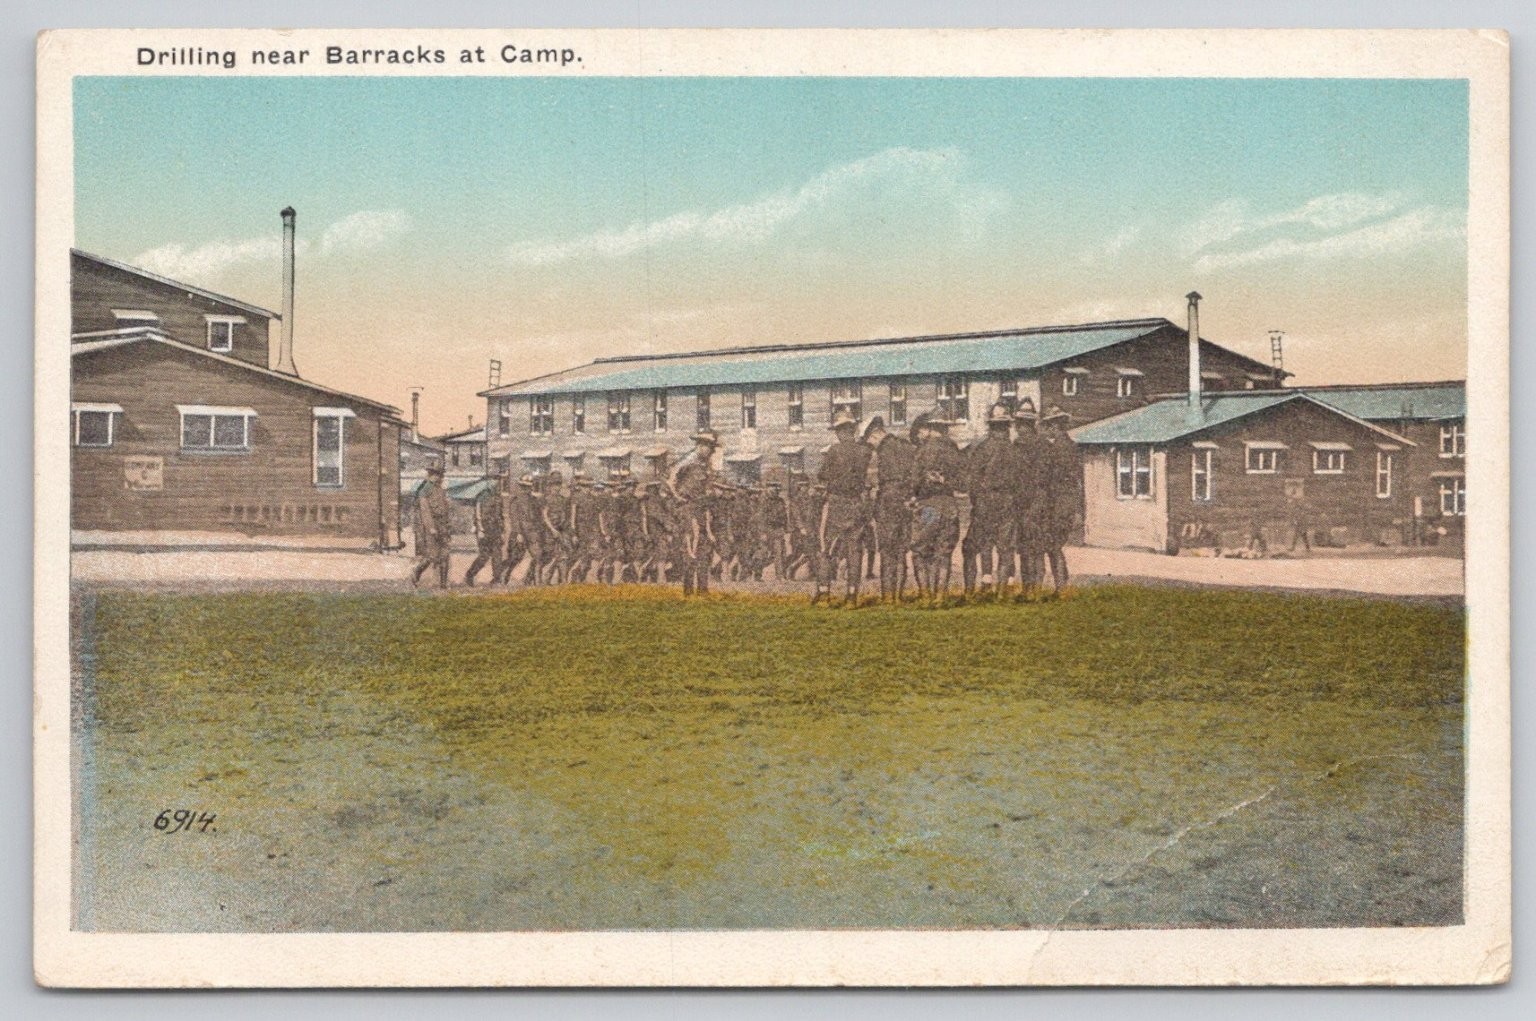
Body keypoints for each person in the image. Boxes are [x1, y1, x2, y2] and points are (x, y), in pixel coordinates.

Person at [815, 408, 874, 605]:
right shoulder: (865, 451)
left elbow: (821, 475)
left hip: (837, 503)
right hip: (856, 503)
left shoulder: (834, 450)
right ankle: (852, 596)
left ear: (840, 431)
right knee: (854, 551)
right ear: (854, 429)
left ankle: (823, 594)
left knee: (826, 549)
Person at [961, 403, 1020, 598]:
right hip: (1008, 501)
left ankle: (978, 586)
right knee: (1005, 548)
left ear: (991, 426)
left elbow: (972, 479)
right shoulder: (1014, 450)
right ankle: (1002, 592)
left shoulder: (983, 449)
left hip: (986, 501)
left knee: (976, 545)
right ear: (1007, 426)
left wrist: (976, 501)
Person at [909, 412, 967, 604]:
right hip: (949, 505)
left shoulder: (923, 451)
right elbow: (962, 484)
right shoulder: (954, 451)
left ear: (931, 428)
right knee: (944, 552)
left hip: (928, 507)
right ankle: (940, 596)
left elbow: (915, 483)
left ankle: (926, 595)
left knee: (920, 551)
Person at [863, 415, 916, 603]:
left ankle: (887, 597)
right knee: (901, 551)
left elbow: (883, 482)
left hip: (888, 503)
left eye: (869, 441)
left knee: (887, 551)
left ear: (875, 434)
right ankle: (898, 597)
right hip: (906, 503)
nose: (871, 447)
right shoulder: (906, 445)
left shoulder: (885, 450)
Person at [669, 430, 720, 595]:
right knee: (691, 548)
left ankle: (703, 590)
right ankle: (688, 591)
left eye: (711, 448)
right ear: (699, 446)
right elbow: (670, 480)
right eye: (707, 447)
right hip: (689, 509)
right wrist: (679, 498)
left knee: (704, 549)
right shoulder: (688, 461)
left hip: (703, 510)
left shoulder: (707, 466)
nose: (709, 451)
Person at [1037, 406, 1081, 594]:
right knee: (1054, 545)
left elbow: (1052, 478)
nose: (1046, 430)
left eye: (1048, 426)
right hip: (1066, 502)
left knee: (1053, 546)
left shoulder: (1058, 449)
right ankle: (1061, 584)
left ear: (1055, 426)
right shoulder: (1070, 445)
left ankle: (1061, 586)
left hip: (1059, 503)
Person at [1010, 399, 1049, 597]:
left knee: (1027, 549)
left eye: (1020, 424)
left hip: (1028, 500)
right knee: (1034, 548)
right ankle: (1035, 589)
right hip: (1038, 499)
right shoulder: (1042, 443)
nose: (1018, 428)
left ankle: (1029, 590)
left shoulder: (1018, 445)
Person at [410, 463, 452, 589]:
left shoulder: (440, 489)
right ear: (431, 475)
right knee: (432, 555)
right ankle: (417, 572)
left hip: (443, 525)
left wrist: (448, 525)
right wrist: (431, 527)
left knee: (445, 554)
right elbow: (425, 511)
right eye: (436, 474)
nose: (439, 477)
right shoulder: (425, 490)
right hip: (432, 526)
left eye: (440, 475)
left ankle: (443, 585)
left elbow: (445, 509)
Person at [464, 469, 507, 587]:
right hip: (484, 530)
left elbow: (500, 516)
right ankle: (470, 575)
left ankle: (497, 580)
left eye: (498, 480)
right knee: (484, 557)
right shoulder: (482, 496)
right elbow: (477, 514)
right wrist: (480, 530)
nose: (496, 482)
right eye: (493, 479)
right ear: (487, 482)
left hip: (496, 530)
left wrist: (502, 531)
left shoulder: (498, 497)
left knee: (497, 555)